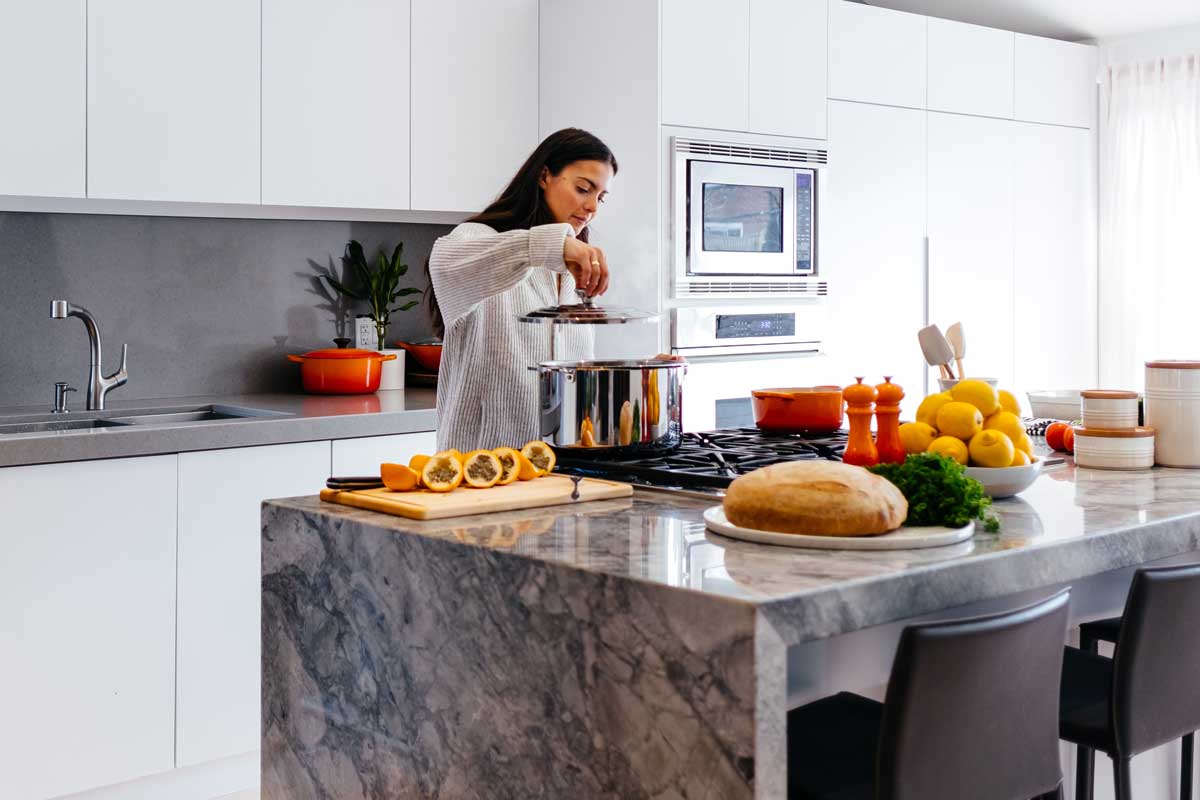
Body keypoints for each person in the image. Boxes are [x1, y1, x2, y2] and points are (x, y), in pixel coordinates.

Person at [426, 127, 653, 452]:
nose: (592, 208)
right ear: (545, 176)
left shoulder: (572, 273)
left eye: (600, 197)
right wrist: (556, 245)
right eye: (583, 189)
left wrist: (640, 379)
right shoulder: (475, 240)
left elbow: (572, 385)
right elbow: (446, 261)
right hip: (480, 473)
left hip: (559, 470)